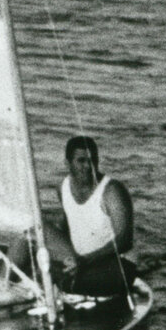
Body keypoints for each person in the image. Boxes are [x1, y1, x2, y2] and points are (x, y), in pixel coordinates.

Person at [57, 134, 136, 315]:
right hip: (82, 262)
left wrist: (84, 261)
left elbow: (124, 241)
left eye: (93, 160)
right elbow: (67, 225)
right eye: (81, 161)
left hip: (115, 267)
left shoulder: (112, 191)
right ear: (67, 164)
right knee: (33, 230)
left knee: (49, 274)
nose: (88, 167)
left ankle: (67, 287)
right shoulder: (62, 187)